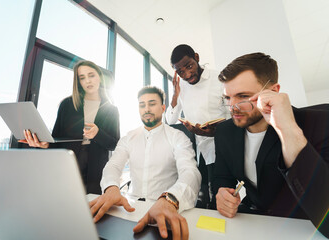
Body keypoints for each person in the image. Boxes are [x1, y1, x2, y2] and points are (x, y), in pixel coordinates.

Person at [212, 52, 329, 238]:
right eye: (227, 98)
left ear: (273, 91)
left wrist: (288, 129)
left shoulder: (320, 123)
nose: (232, 107)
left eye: (242, 96)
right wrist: (221, 194)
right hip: (253, 223)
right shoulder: (225, 131)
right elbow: (221, 177)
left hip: (303, 227)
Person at [89, 86, 201, 240]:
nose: (146, 109)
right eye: (142, 105)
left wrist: (170, 199)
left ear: (162, 108)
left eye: (152, 103)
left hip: (164, 208)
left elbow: (190, 172)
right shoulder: (129, 137)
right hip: (130, 209)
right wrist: (111, 188)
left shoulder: (178, 137)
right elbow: (113, 166)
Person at [19, 60, 120, 195]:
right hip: (67, 166)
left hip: (96, 170)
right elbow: (56, 139)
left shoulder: (111, 110)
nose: (88, 81)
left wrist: (98, 133)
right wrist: (45, 145)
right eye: (82, 77)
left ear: (99, 77)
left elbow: (115, 144)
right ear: (78, 82)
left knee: (91, 211)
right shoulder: (67, 105)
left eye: (91, 75)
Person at [165, 44, 228, 208]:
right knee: (202, 199)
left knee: (221, 197)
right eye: (180, 72)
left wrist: (216, 131)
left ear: (197, 58)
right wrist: (175, 95)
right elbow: (170, 120)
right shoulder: (181, 86)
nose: (187, 74)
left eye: (189, 66)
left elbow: (232, 114)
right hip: (200, 150)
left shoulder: (219, 79)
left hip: (223, 147)